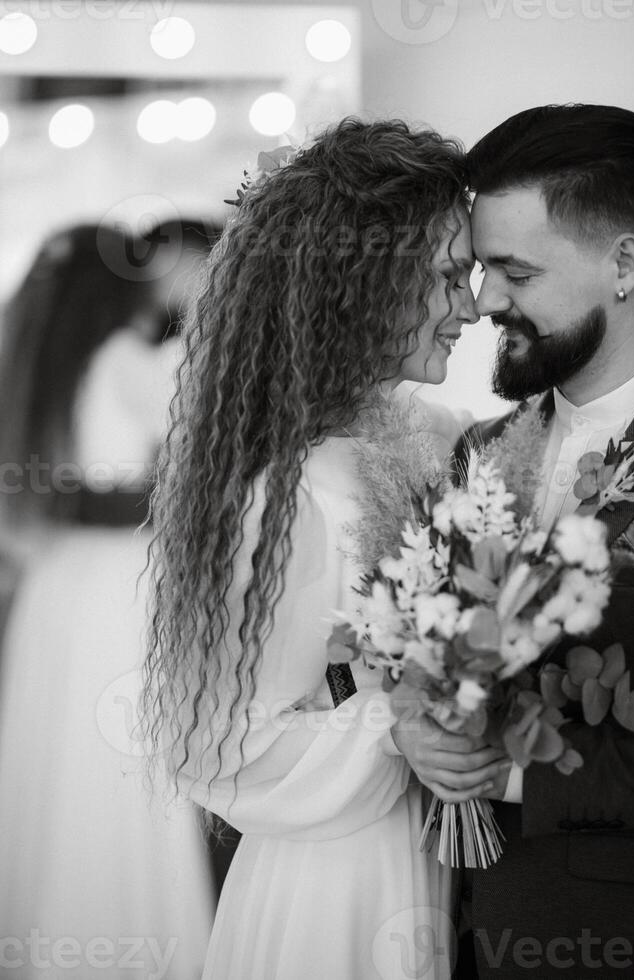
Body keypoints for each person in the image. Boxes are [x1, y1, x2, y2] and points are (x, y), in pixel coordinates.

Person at [141, 117, 514, 980]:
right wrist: (396, 729)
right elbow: (219, 747)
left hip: (430, 861)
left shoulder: (427, 433)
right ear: (364, 282)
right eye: (449, 277)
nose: (472, 306)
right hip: (334, 888)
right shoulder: (276, 493)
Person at [456, 103, 634, 979]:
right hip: (452, 927)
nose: (484, 300)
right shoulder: (476, 455)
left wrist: (511, 776)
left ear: (623, 263)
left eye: (514, 272)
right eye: (478, 270)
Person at [0, 223, 215, 978]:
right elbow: (201, 464)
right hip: (117, 589)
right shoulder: (133, 359)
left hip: (58, 586)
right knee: (115, 765)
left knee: (57, 760)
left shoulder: (51, 369)